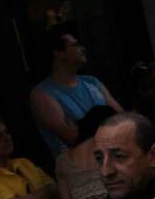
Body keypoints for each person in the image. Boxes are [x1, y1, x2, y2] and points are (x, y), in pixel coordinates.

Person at [30, 23, 123, 155]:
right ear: (59, 53)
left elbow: (124, 119)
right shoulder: (42, 94)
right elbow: (73, 137)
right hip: (83, 168)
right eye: (75, 45)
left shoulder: (92, 82)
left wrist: (84, 126)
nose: (83, 48)